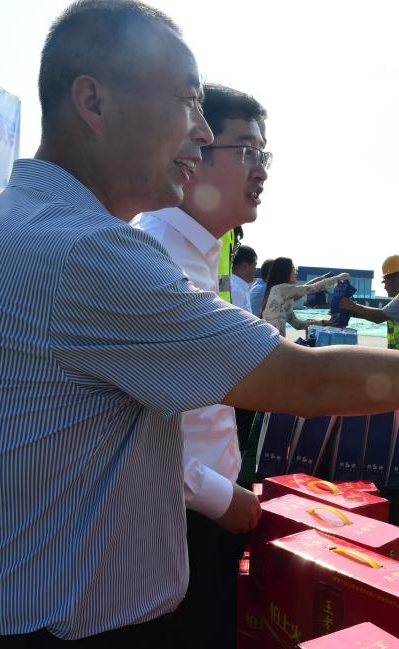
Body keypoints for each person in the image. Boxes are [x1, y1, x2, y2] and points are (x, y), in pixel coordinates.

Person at [0, 0, 399, 648]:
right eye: (185, 101)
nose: (199, 130)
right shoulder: (87, 251)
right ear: (93, 101)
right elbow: (303, 381)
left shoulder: (20, 221)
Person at [131, 82, 271, 648]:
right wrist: (218, 495)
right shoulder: (153, 256)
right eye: (247, 151)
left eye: (264, 154)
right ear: (192, 151)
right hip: (176, 518)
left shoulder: (202, 251)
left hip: (209, 510)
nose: (261, 171)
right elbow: (127, 431)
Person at [259, 257, 349, 334]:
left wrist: (324, 322)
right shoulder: (280, 289)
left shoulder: (284, 299)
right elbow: (313, 288)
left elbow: (298, 325)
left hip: (274, 342)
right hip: (271, 344)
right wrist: (338, 278)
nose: (296, 272)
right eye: (293, 269)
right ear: (285, 272)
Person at [229, 244, 257, 312]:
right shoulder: (237, 290)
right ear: (244, 266)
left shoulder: (236, 287)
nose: (255, 270)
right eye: (255, 265)